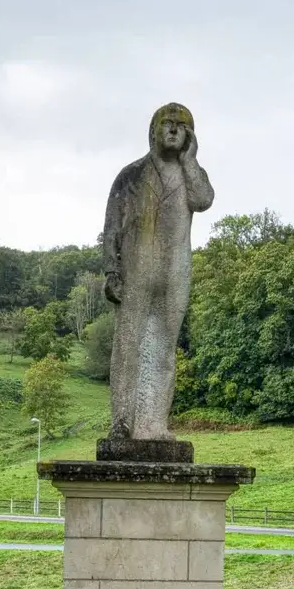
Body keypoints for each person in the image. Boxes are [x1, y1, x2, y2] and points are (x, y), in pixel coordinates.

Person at [102, 103, 214, 440]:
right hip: (136, 270)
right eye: (168, 123)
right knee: (128, 345)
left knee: (164, 348)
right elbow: (111, 228)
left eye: (182, 125)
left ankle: (154, 425)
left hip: (174, 272)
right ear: (153, 130)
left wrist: (190, 161)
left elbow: (204, 200)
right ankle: (122, 423)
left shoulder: (191, 174)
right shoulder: (131, 176)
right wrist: (111, 271)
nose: (174, 129)